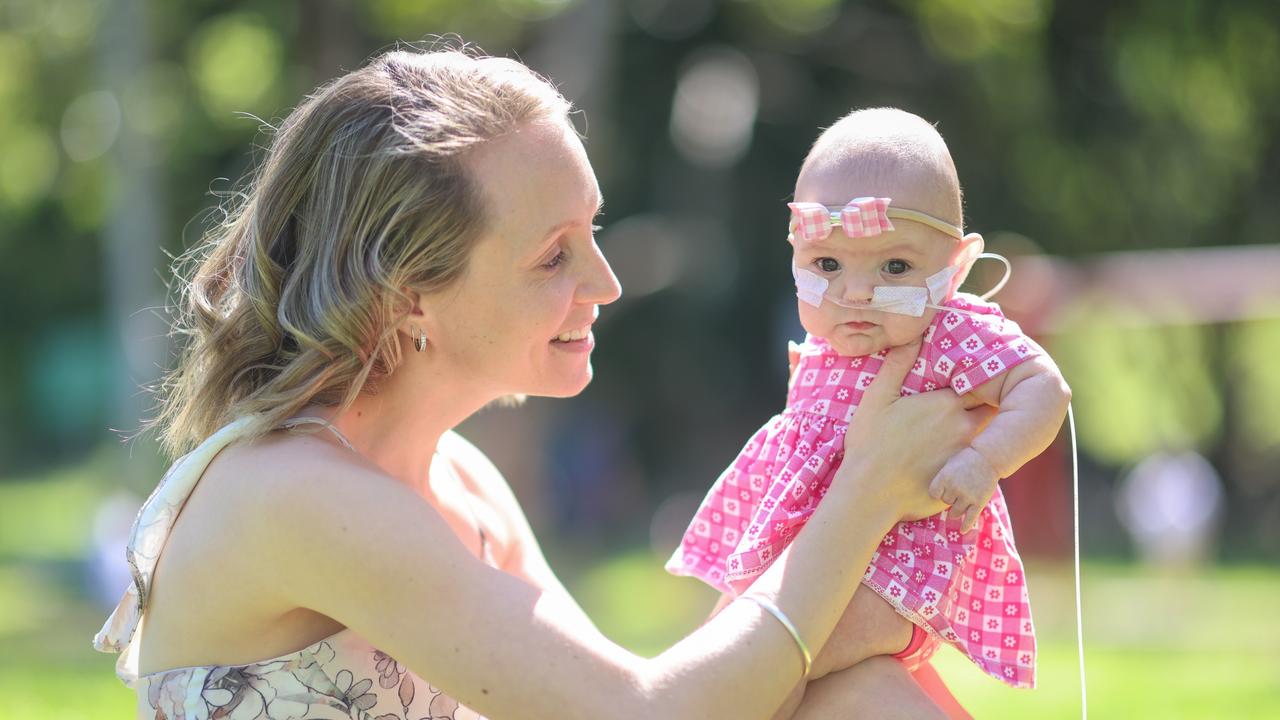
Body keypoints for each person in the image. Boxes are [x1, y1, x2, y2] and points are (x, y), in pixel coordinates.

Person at [93, 49, 991, 719]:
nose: (605, 283)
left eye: (594, 232)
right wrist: (865, 491)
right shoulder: (298, 492)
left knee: (864, 695)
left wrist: (869, 611)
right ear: (411, 297)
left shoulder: (462, 482)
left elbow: (655, 696)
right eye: (553, 255)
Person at [667, 108, 1072, 697]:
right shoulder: (825, 342)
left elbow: (1044, 389)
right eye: (826, 264)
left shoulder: (949, 332)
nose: (856, 292)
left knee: (753, 676)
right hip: (800, 561)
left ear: (956, 266)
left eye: (896, 266)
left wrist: (985, 460)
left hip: (885, 577)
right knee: (715, 654)